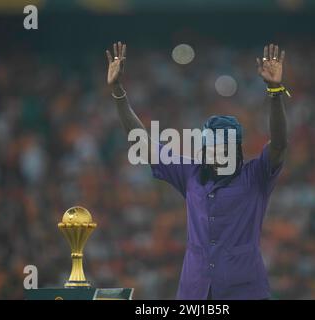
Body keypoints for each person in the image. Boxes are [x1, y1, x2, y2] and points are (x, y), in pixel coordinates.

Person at [106, 41, 288, 300]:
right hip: (195, 291)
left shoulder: (255, 176)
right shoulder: (190, 173)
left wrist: (275, 91)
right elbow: (141, 141)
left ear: (236, 151)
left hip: (245, 291)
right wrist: (118, 92)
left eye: (222, 148)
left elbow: (279, 144)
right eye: (210, 148)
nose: (214, 154)